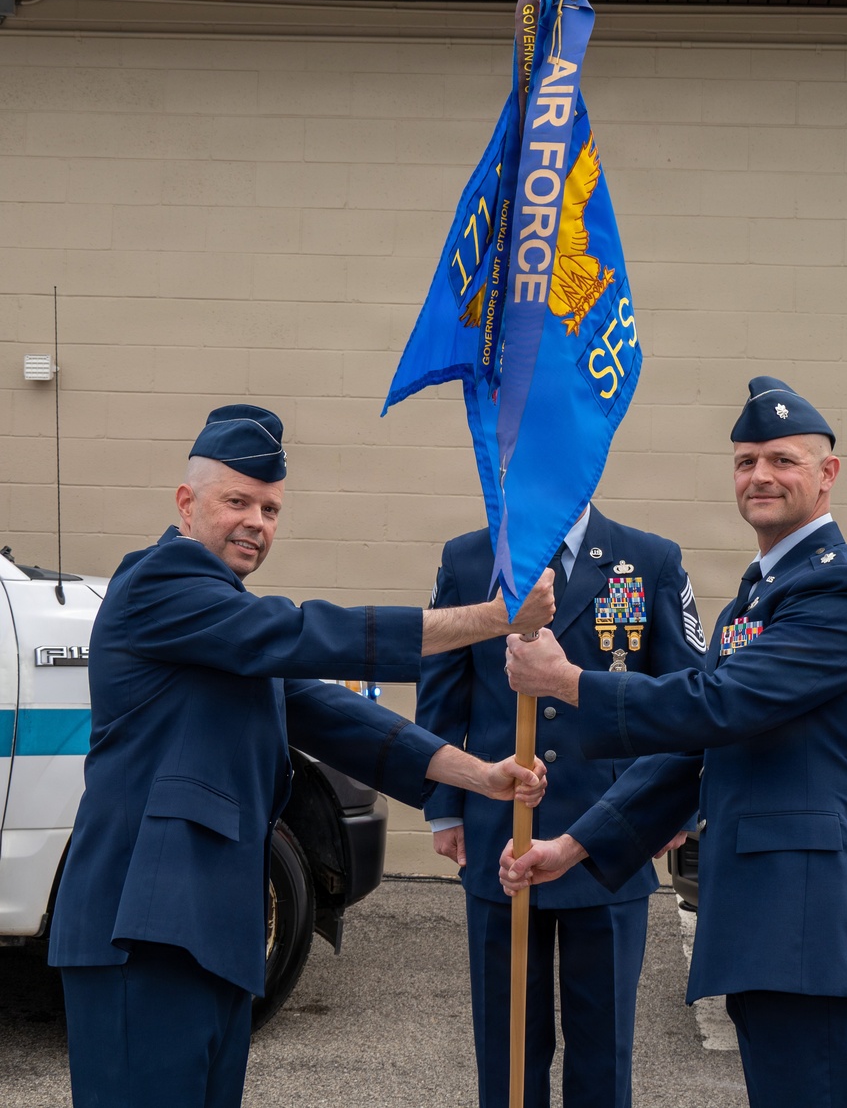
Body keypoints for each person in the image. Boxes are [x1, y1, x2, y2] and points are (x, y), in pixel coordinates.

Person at [47, 404, 554, 1108]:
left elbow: (333, 715)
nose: (257, 521)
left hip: (210, 934)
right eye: (238, 502)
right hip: (142, 935)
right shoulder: (160, 584)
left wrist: (480, 776)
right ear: (186, 504)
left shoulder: (227, 623)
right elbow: (309, 634)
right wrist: (497, 618)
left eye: (272, 508)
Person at [502, 377, 847, 1108]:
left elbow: (718, 704)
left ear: (828, 476)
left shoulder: (837, 593)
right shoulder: (757, 598)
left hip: (817, 931)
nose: (760, 475)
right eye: (745, 460)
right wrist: (571, 847)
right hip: (773, 929)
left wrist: (571, 683)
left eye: (783, 460)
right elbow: (697, 749)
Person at [416, 505, 707, 1108]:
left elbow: (686, 695)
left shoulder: (649, 559)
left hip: (609, 836)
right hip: (500, 832)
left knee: (604, 1044)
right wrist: (445, 808)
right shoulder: (469, 559)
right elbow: (443, 688)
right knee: (506, 1042)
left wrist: (672, 811)